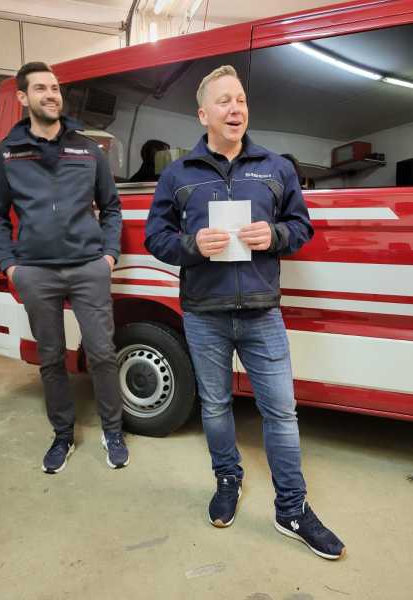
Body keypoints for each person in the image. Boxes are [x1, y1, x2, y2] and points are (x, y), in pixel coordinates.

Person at [145, 65, 345, 560]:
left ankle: (292, 509)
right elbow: (156, 237)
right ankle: (227, 480)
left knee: (281, 412)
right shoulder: (178, 174)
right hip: (204, 313)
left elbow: (301, 227)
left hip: (261, 312)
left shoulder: (275, 168)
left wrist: (273, 235)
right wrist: (192, 245)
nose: (235, 109)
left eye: (241, 100)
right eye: (224, 101)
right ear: (203, 114)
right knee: (215, 407)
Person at [0, 62, 129, 474]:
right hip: (35, 272)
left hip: (88, 268)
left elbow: (111, 207)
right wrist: (11, 265)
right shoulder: (8, 153)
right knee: (50, 358)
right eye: (41, 88)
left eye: (55, 88)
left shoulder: (87, 149)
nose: (51, 95)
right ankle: (62, 434)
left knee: (102, 353)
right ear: (23, 97)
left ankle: (113, 431)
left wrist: (108, 256)